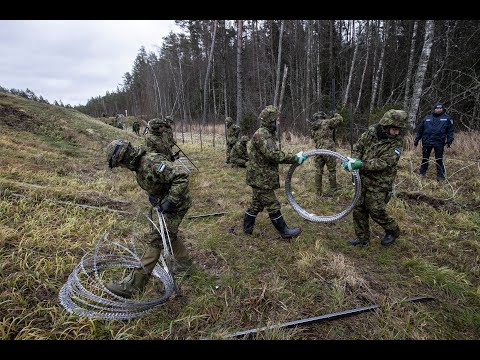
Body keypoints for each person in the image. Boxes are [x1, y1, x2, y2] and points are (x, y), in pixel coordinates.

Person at [105, 139, 192, 298]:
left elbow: (181, 176)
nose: (122, 167)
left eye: (120, 164)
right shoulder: (140, 165)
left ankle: (133, 285)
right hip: (167, 201)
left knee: (156, 239)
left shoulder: (151, 162)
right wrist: (155, 196)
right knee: (168, 234)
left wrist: (171, 201)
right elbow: (158, 181)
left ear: (124, 158)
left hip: (178, 203)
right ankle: (185, 264)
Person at [341, 109, 407, 247]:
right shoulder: (370, 133)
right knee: (359, 209)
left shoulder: (396, 143)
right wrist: (354, 160)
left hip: (380, 182)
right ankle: (362, 238)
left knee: (376, 210)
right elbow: (359, 146)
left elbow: (384, 163)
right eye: (394, 129)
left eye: (399, 129)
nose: (397, 132)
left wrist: (360, 164)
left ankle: (392, 231)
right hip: (362, 179)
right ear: (386, 125)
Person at [243, 105, 307, 239]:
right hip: (260, 178)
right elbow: (273, 155)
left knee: (256, 204)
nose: (278, 122)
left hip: (260, 177)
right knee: (272, 204)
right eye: (276, 120)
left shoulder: (267, 133)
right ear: (269, 120)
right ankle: (284, 231)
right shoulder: (262, 135)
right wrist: (295, 158)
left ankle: (246, 229)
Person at [414, 102, 454, 182]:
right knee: (425, 158)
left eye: (440, 108)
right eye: (437, 108)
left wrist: (449, 140)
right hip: (427, 141)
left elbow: (450, 131)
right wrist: (417, 139)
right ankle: (422, 173)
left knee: (439, 159)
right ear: (434, 109)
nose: (439, 109)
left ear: (442, 109)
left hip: (439, 142)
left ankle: (440, 176)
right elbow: (420, 130)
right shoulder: (427, 118)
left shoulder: (447, 119)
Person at [309, 111, 344, 197]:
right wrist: (335, 114)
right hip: (328, 148)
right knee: (331, 169)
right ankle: (333, 190)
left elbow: (312, 137)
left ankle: (318, 192)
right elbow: (340, 120)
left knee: (318, 170)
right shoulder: (326, 122)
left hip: (318, 149)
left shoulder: (313, 126)